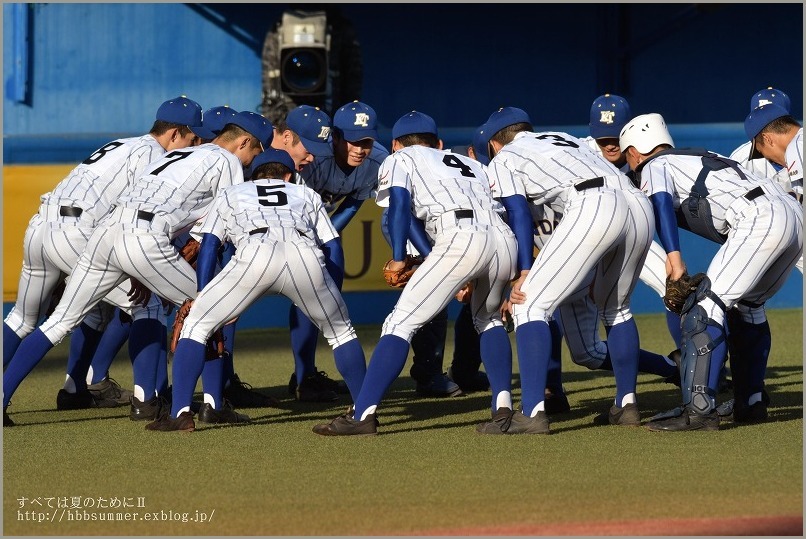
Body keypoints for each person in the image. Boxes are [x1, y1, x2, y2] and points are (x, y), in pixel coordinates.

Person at [3, 109, 273, 427]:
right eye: (255, 152)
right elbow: (219, 228)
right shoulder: (225, 161)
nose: (251, 161)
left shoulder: (176, 155)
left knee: (60, 321)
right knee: (204, 308)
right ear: (244, 142)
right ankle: (189, 403)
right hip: (144, 236)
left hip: (106, 233)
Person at [313, 111, 529, 435]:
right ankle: (503, 410)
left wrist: (400, 257)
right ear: (438, 143)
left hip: (459, 236)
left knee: (399, 323)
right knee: (489, 320)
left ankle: (363, 415)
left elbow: (400, 206)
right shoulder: (472, 165)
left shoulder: (399, 159)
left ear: (396, 144)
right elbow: (511, 210)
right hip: (503, 239)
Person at [145, 148, 368, 431]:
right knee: (341, 332)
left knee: (196, 327)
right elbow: (333, 246)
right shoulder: (306, 194)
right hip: (305, 256)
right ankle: (364, 412)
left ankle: (180, 414)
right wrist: (332, 292)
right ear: (289, 175)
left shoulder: (233, 193)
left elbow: (210, 245)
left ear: (255, 175)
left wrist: (202, 294)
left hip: (255, 254)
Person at [618, 113, 802, 431]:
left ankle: (699, 411)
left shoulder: (654, 164)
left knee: (703, 310)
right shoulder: (696, 156)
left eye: (627, 156)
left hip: (759, 217)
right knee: (748, 308)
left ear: (634, 152)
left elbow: (660, 201)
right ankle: (751, 401)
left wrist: (673, 256)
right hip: (792, 216)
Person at [477, 106, 654, 434]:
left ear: (494, 143)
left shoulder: (505, 157)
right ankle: (626, 404)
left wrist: (524, 270)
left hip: (594, 203)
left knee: (529, 304)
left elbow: (517, 213)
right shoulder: (565, 138)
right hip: (637, 204)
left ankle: (532, 412)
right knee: (617, 309)